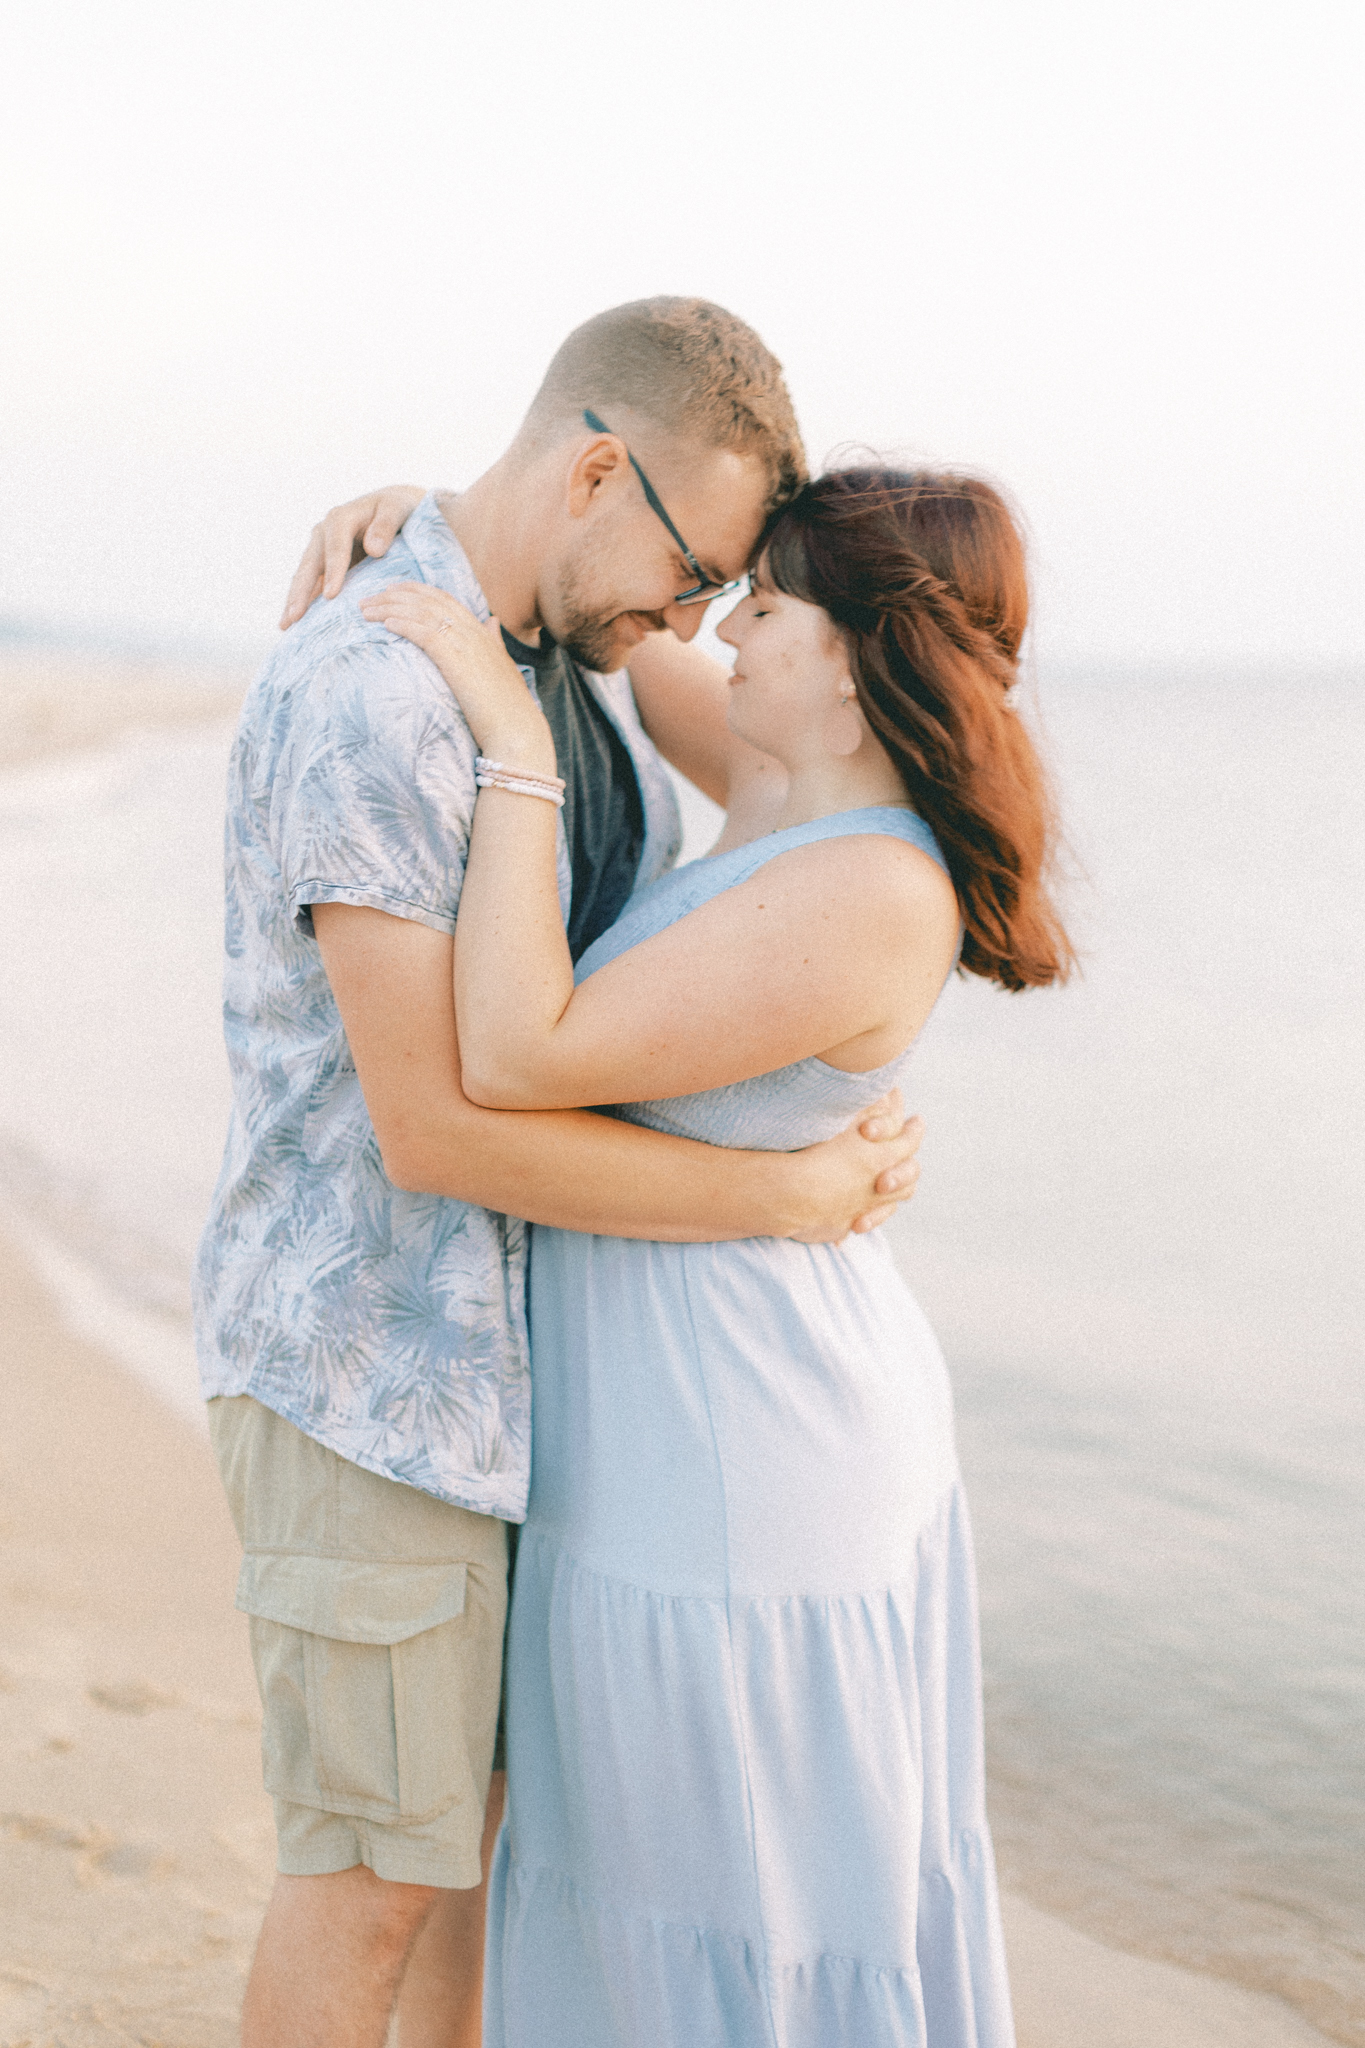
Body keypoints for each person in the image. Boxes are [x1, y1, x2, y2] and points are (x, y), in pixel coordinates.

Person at [194, 298, 925, 2048]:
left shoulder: (551, 668)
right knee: (372, 1890)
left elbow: (827, 793)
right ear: (599, 468)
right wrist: (780, 1198)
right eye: (692, 574)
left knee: (468, 1881)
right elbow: (436, 1124)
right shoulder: (385, 688)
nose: (687, 623)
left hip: (524, 1401)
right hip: (369, 1380)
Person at [356, 462, 1072, 2047]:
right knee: (645, 1875)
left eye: (773, 600)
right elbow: (601, 602)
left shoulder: (874, 887)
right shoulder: (772, 782)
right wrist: (421, 509)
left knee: (726, 1885)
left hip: (745, 1453)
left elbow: (523, 1049)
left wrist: (518, 752)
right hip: (681, 1416)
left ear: (858, 650)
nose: (728, 622)